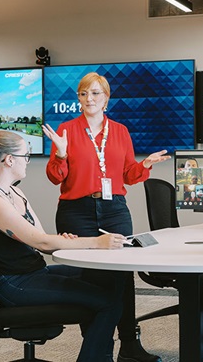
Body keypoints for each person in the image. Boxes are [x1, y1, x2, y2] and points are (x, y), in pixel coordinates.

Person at [0, 130, 128, 362]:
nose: (28, 162)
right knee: (109, 303)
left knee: (102, 277)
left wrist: (68, 242)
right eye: (26, 156)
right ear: (9, 159)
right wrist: (97, 243)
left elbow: (43, 240)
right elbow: (41, 242)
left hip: (33, 272)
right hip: (13, 283)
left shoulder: (15, 192)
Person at [43, 72, 170, 362]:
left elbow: (127, 175)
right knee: (87, 278)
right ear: (79, 99)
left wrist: (145, 164)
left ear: (106, 99)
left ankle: (129, 343)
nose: (89, 99)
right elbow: (55, 177)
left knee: (122, 278)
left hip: (114, 210)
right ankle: (98, 347)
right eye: (84, 94)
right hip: (76, 211)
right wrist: (61, 155)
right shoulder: (67, 130)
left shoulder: (121, 131)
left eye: (96, 93)